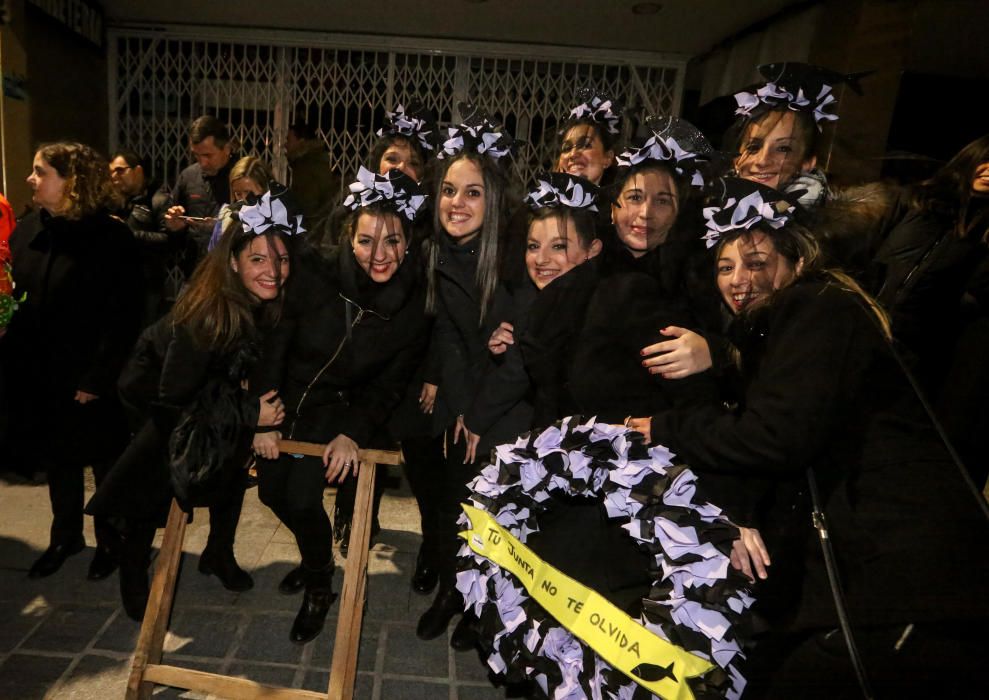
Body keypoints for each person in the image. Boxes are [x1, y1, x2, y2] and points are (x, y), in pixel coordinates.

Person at [628, 177, 989, 698]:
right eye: (725, 267)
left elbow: (777, 436)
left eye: (757, 263)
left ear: (797, 263)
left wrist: (667, 428)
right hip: (888, 588)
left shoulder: (817, 307)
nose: (739, 280)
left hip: (903, 585)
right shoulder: (802, 325)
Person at [85, 187, 299, 620]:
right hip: (154, 390)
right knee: (156, 482)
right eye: (258, 259)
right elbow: (175, 395)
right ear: (234, 262)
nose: (273, 270)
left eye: (281, 259)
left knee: (230, 464)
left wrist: (251, 416)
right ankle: (132, 571)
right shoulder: (207, 310)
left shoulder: (267, 302)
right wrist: (247, 411)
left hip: (206, 388)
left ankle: (218, 554)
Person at [252, 167, 430, 644]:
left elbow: (389, 385)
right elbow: (276, 341)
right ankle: (317, 559)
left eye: (392, 241)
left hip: (336, 413)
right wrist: (262, 411)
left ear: (408, 242)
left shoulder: (413, 305)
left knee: (300, 496)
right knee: (271, 493)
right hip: (286, 404)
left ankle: (319, 585)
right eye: (366, 240)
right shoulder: (317, 274)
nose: (379, 255)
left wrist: (353, 431)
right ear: (349, 237)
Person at [1, 142, 144, 580]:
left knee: (103, 461)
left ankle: (110, 540)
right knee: (57, 456)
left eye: (41, 171)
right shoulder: (28, 228)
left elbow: (125, 315)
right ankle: (66, 535)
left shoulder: (111, 236)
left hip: (89, 374)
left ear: (72, 181)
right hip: (40, 371)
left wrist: (98, 377)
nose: (31, 179)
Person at [416, 105, 517, 644]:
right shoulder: (439, 254)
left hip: (507, 405)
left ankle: (482, 609)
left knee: (492, 514)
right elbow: (449, 338)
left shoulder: (514, 258)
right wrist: (456, 403)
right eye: (449, 191)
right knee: (454, 505)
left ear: (494, 199)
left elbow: (516, 355)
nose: (457, 203)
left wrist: (477, 412)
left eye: (472, 192)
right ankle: (453, 592)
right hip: (466, 401)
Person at [729, 62, 865, 210]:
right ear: (735, 159)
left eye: (783, 148)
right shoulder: (705, 216)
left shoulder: (828, 230)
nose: (763, 161)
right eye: (753, 147)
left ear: (807, 163)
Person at [108, 149, 176, 324]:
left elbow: (168, 241)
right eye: (111, 172)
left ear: (138, 171)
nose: (115, 176)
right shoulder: (113, 201)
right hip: (116, 283)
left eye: (120, 170)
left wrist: (129, 233)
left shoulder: (159, 200)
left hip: (147, 287)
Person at [164, 115, 238, 261]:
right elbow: (173, 239)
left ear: (227, 149)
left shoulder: (244, 177)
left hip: (231, 272)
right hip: (195, 271)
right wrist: (174, 227)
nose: (203, 163)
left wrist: (220, 227)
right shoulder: (189, 177)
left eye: (208, 155)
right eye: (197, 156)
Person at [554, 88, 622, 186]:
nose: (573, 154)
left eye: (585, 145)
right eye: (566, 148)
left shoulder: (622, 200)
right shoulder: (541, 199)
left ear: (608, 158)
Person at [285, 121, 339, 242]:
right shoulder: (310, 161)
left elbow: (307, 204)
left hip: (311, 231)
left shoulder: (307, 165)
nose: (285, 144)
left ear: (301, 141)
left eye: (289, 139)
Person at [207, 156, 273, 251]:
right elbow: (214, 256)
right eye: (238, 194)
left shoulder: (279, 219)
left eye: (248, 192)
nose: (243, 199)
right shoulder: (226, 215)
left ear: (265, 190)